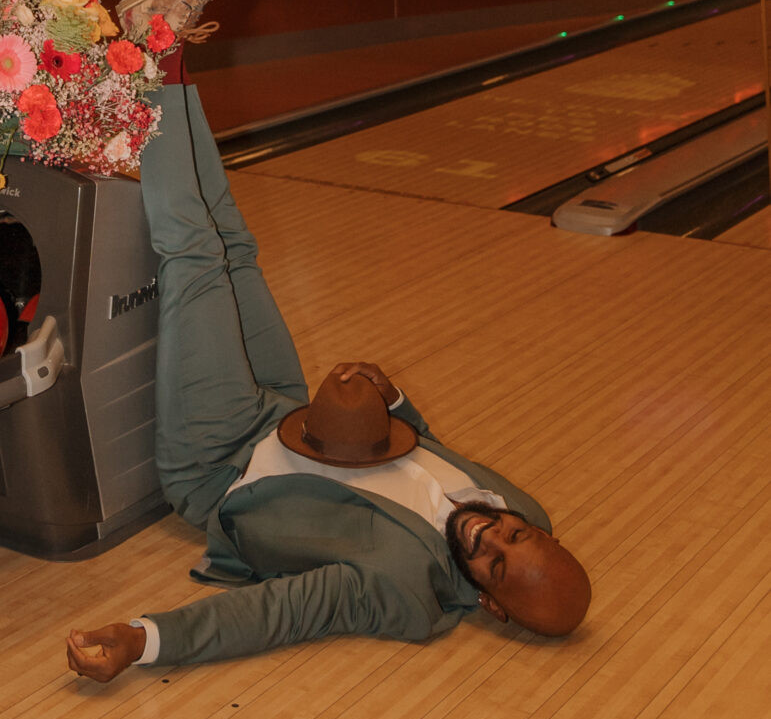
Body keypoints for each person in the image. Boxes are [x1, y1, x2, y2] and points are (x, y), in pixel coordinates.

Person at [66, 88, 590, 680]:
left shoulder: (402, 587)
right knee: (233, 246)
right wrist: (395, 403)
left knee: (193, 255)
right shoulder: (523, 509)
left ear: (491, 606)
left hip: (224, 464)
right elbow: (431, 457)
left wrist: (147, 640)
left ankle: (147, 60)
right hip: (294, 417)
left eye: (493, 566)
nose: (487, 534)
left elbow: (280, 613)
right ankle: (172, 66)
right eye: (514, 535)